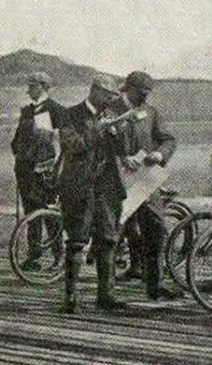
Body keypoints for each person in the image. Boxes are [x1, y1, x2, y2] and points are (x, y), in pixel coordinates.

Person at [111, 71, 180, 302]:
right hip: (116, 180)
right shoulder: (111, 111)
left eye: (149, 92)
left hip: (145, 181)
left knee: (156, 229)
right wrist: (120, 158)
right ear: (128, 89)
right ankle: (106, 291)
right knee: (112, 232)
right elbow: (99, 140)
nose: (146, 96)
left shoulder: (151, 112)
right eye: (142, 92)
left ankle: (155, 285)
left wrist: (159, 154)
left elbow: (169, 139)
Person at [56, 77, 122, 313]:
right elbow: (73, 145)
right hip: (78, 187)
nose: (110, 100)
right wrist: (99, 129)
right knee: (76, 241)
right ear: (94, 92)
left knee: (108, 239)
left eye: (113, 96)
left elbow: (121, 151)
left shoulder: (111, 115)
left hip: (106, 188)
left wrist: (118, 132)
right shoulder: (69, 114)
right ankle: (70, 298)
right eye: (107, 95)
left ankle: (106, 296)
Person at [11, 71, 64, 271]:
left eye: (32, 86)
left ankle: (59, 257)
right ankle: (34, 257)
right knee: (31, 214)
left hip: (45, 171)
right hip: (25, 169)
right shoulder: (27, 111)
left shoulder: (55, 109)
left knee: (48, 213)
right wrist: (19, 154)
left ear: (42, 86)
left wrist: (52, 166)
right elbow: (17, 140)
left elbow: (61, 142)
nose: (28, 90)